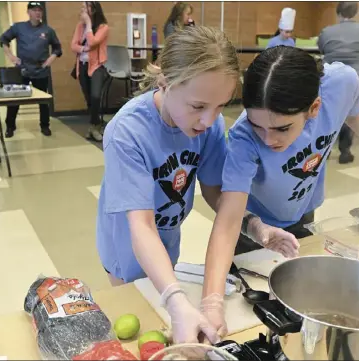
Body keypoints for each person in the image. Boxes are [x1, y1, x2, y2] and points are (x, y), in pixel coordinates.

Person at [95, 26, 285, 344]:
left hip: (168, 235)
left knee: (170, 310)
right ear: (165, 83)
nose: (209, 120)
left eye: (221, 106)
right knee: (140, 323)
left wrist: (252, 225)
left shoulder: (208, 126)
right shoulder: (127, 132)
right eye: (198, 106)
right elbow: (140, 226)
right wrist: (176, 299)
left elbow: (213, 190)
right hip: (127, 246)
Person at [199, 46, 359, 337]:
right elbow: (228, 221)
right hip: (255, 228)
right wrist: (212, 304)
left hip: (304, 211)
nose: (268, 139)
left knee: (303, 297)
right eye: (258, 126)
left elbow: (353, 110)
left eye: (281, 128)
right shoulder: (243, 139)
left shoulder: (341, 82)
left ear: (314, 108)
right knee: (251, 307)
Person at [318, 2, 359, 164]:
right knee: (352, 113)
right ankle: (345, 151)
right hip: (356, 78)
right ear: (355, 12)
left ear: (338, 13)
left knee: (328, 113)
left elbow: (322, 48)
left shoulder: (327, 31)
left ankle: (325, 150)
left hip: (330, 78)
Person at [0, 1, 62, 138]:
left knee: (43, 100)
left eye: (40, 10)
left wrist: (49, 61)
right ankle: (10, 126)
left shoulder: (48, 30)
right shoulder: (19, 27)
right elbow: (4, 40)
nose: (38, 12)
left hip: (40, 70)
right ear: (28, 12)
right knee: (15, 99)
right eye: (34, 10)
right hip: (22, 69)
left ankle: (44, 126)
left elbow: (57, 49)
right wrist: (11, 56)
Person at [71, 2, 109, 142]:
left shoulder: (103, 27)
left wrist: (88, 24)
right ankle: (95, 126)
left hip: (97, 66)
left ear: (92, 10)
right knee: (89, 99)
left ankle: (94, 127)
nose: (81, 10)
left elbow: (93, 42)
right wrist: (83, 49)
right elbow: (73, 45)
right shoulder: (79, 26)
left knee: (95, 97)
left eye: (84, 8)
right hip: (81, 65)